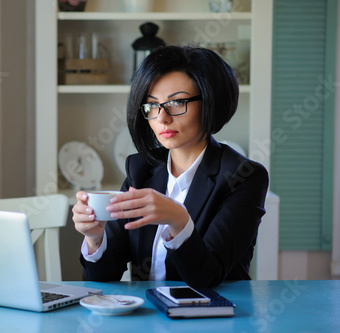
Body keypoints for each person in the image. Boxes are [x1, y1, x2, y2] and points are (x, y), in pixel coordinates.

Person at [72, 45, 269, 288]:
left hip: (215, 318)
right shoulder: (140, 168)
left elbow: (209, 276)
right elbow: (103, 278)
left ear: (210, 102)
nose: (162, 117)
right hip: (148, 318)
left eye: (177, 102)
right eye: (152, 105)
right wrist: (94, 237)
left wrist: (179, 221)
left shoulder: (244, 177)